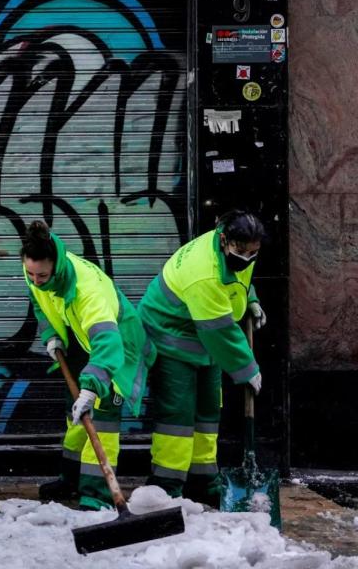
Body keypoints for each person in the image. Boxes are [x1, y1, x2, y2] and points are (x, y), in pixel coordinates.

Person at [21, 221, 155, 510]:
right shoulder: (35, 273)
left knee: (103, 415)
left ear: (56, 267)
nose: (35, 280)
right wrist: (50, 335)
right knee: (77, 413)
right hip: (82, 339)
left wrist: (92, 389)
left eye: (42, 275)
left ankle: (98, 495)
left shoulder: (87, 291)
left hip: (119, 342)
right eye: (30, 273)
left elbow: (109, 344)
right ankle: (71, 479)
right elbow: (38, 302)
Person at [138, 210, 266, 505]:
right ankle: (166, 484)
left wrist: (252, 300)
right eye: (241, 251)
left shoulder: (234, 249)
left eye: (253, 253)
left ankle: (202, 480)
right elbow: (219, 330)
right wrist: (247, 369)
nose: (247, 258)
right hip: (170, 335)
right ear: (224, 241)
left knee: (208, 410)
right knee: (178, 415)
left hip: (203, 336)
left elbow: (239, 279)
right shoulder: (203, 273)